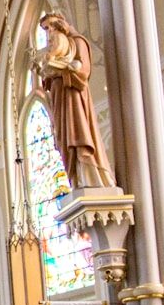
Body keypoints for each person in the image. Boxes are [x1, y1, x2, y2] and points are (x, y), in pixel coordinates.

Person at [36, 13, 115, 188]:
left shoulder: (77, 42)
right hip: (60, 99)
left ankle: (92, 177)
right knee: (64, 138)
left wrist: (62, 69)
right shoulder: (55, 50)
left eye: (50, 27)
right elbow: (48, 82)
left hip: (73, 98)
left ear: (61, 24)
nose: (48, 33)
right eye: (45, 30)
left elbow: (82, 72)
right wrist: (47, 73)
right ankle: (76, 178)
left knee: (78, 133)